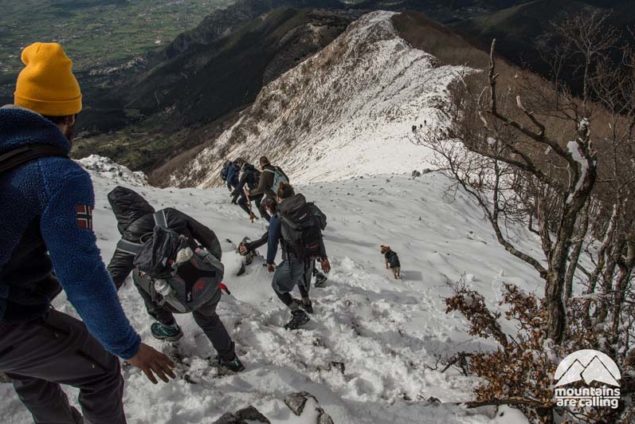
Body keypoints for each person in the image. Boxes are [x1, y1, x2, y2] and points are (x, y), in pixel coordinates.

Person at [0, 42, 175, 424]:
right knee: (100, 369)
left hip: (13, 310)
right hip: (7, 319)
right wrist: (129, 347)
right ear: (71, 117)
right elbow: (81, 275)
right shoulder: (56, 176)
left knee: (31, 370)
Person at [107, 186, 245, 372]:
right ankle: (231, 360)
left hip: (176, 301)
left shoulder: (128, 245)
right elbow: (209, 236)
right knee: (209, 320)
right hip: (207, 283)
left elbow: (107, 285)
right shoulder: (168, 215)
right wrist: (212, 265)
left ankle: (169, 325)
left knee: (137, 276)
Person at [266, 183, 331, 330]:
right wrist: (323, 257)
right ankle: (306, 303)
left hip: (294, 257)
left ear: (278, 197)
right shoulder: (309, 209)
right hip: (311, 255)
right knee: (301, 278)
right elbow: (319, 228)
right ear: (294, 193)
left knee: (277, 286)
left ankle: (297, 312)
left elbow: (272, 242)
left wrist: (270, 261)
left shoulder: (278, 216)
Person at [248, 156, 289, 221]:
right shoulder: (277, 168)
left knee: (262, 208)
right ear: (268, 161)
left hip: (275, 196)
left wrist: (250, 192)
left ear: (261, 165)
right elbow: (287, 179)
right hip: (287, 192)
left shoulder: (264, 174)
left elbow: (260, 189)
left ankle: (274, 223)